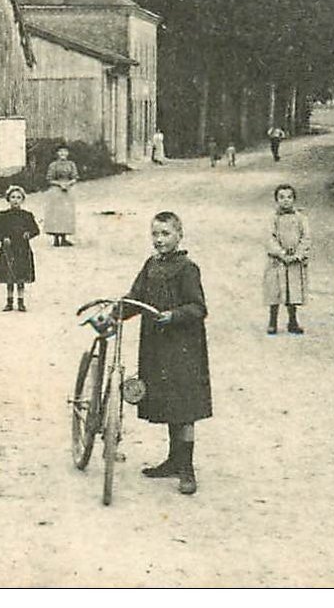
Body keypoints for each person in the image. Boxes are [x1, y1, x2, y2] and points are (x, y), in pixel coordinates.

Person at [118, 211, 211, 496]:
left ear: (179, 235)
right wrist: (115, 313)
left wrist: (174, 315)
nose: (159, 240)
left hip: (183, 348)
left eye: (165, 234)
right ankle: (173, 460)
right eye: (155, 234)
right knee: (167, 402)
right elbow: (135, 299)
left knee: (185, 407)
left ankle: (187, 468)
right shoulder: (150, 265)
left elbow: (198, 307)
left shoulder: (187, 268)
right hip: (157, 347)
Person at [265, 184, 310, 335]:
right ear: (276, 200)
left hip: (294, 260)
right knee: (275, 290)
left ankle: (293, 320)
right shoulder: (273, 218)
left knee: (293, 290)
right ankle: (272, 321)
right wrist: (281, 253)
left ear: (294, 199)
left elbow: (306, 237)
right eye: (281, 197)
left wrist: (298, 254)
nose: (286, 200)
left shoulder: (301, 218)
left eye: (289, 197)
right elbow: (269, 238)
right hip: (277, 260)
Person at [0, 185, 39, 313]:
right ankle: (9, 301)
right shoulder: (3, 215)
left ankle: (21, 301)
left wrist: (28, 234)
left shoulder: (27, 215)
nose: (15, 200)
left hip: (22, 248)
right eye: (13, 197)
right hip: (8, 248)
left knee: (21, 276)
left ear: (23, 199)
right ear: (8, 199)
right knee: (9, 275)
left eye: (18, 197)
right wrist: (3, 238)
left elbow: (36, 230)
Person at [44, 145, 79, 247]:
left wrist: (68, 183)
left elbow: (75, 177)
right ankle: (55, 239)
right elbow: (49, 179)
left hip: (67, 191)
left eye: (65, 152)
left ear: (68, 153)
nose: (63, 154)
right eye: (60, 152)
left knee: (66, 214)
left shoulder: (71, 164)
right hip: (56, 190)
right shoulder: (53, 165)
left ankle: (64, 238)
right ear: (57, 153)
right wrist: (59, 184)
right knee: (56, 214)